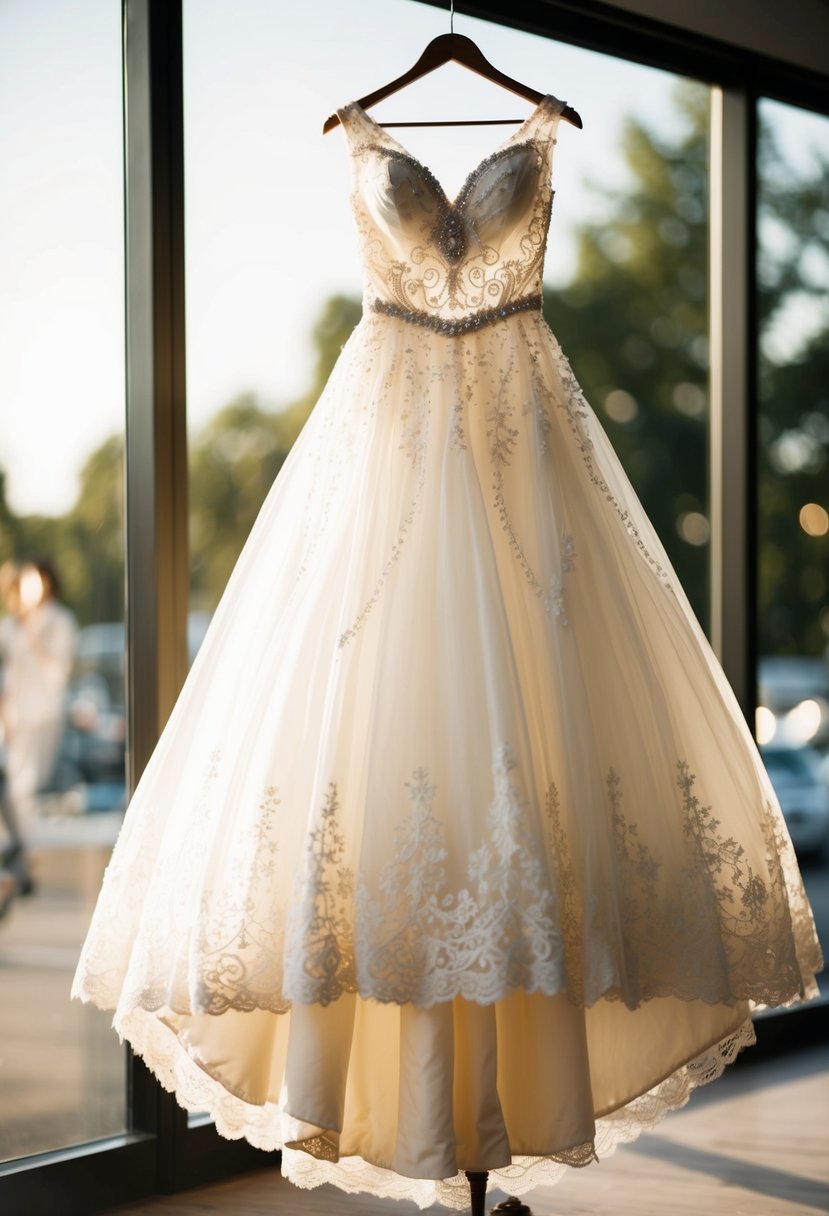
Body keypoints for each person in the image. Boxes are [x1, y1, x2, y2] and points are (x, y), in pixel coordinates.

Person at [73, 93, 823, 1211]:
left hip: (525, 459)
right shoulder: (356, 135)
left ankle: (493, 1120)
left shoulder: (542, 135)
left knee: (539, 778)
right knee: (377, 762)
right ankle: (438, 1123)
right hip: (385, 466)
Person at [0, 558, 77, 917]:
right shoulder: (13, 623)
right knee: (14, 788)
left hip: (43, 715)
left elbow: (58, 673)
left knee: (23, 787)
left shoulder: (60, 622)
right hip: (15, 718)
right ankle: (17, 860)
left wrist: (35, 639)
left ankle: (21, 860)